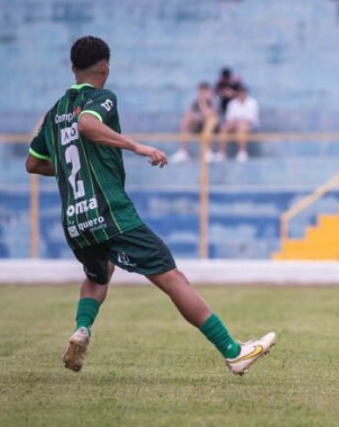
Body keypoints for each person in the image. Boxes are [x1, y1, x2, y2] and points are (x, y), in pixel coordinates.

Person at [25, 36, 275, 375]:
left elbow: (34, 163)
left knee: (100, 275)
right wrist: (136, 146)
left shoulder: (54, 112)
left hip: (74, 220)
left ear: (73, 69)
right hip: (110, 212)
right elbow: (86, 124)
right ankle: (234, 352)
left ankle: (82, 328)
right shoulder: (102, 98)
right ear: (105, 66)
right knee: (174, 279)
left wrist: (78, 165)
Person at [170, 82, 220, 163]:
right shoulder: (196, 100)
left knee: (210, 120)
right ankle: (183, 151)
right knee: (186, 120)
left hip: (215, 127)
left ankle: (207, 151)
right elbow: (189, 113)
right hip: (199, 124)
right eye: (200, 92)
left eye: (204, 92)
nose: (202, 94)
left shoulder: (214, 100)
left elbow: (210, 114)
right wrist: (196, 116)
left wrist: (203, 103)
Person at [212, 84, 259, 162]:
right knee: (224, 127)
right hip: (235, 124)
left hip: (250, 125)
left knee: (242, 126)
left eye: (243, 92)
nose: (241, 94)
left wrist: (240, 122)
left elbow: (251, 119)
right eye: (240, 93)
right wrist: (235, 123)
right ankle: (221, 152)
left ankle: (242, 152)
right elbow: (229, 119)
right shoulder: (233, 104)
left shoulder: (252, 103)